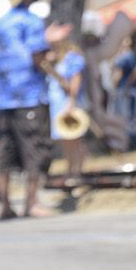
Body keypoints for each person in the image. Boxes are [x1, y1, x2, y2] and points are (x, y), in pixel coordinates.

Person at [0, 0, 55, 220]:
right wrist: (53, 61)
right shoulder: (31, 21)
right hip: (29, 94)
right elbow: (38, 57)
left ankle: (5, 205)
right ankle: (31, 202)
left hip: (3, 96)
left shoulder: (1, 23)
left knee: (5, 152)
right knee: (34, 149)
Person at [48, 26, 88, 181]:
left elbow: (75, 82)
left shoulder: (72, 57)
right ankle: (70, 170)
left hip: (69, 103)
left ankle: (77, 171)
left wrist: (71, 103)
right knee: (65, 140)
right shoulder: (55, 59)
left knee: (74, 139)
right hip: (57, 104)